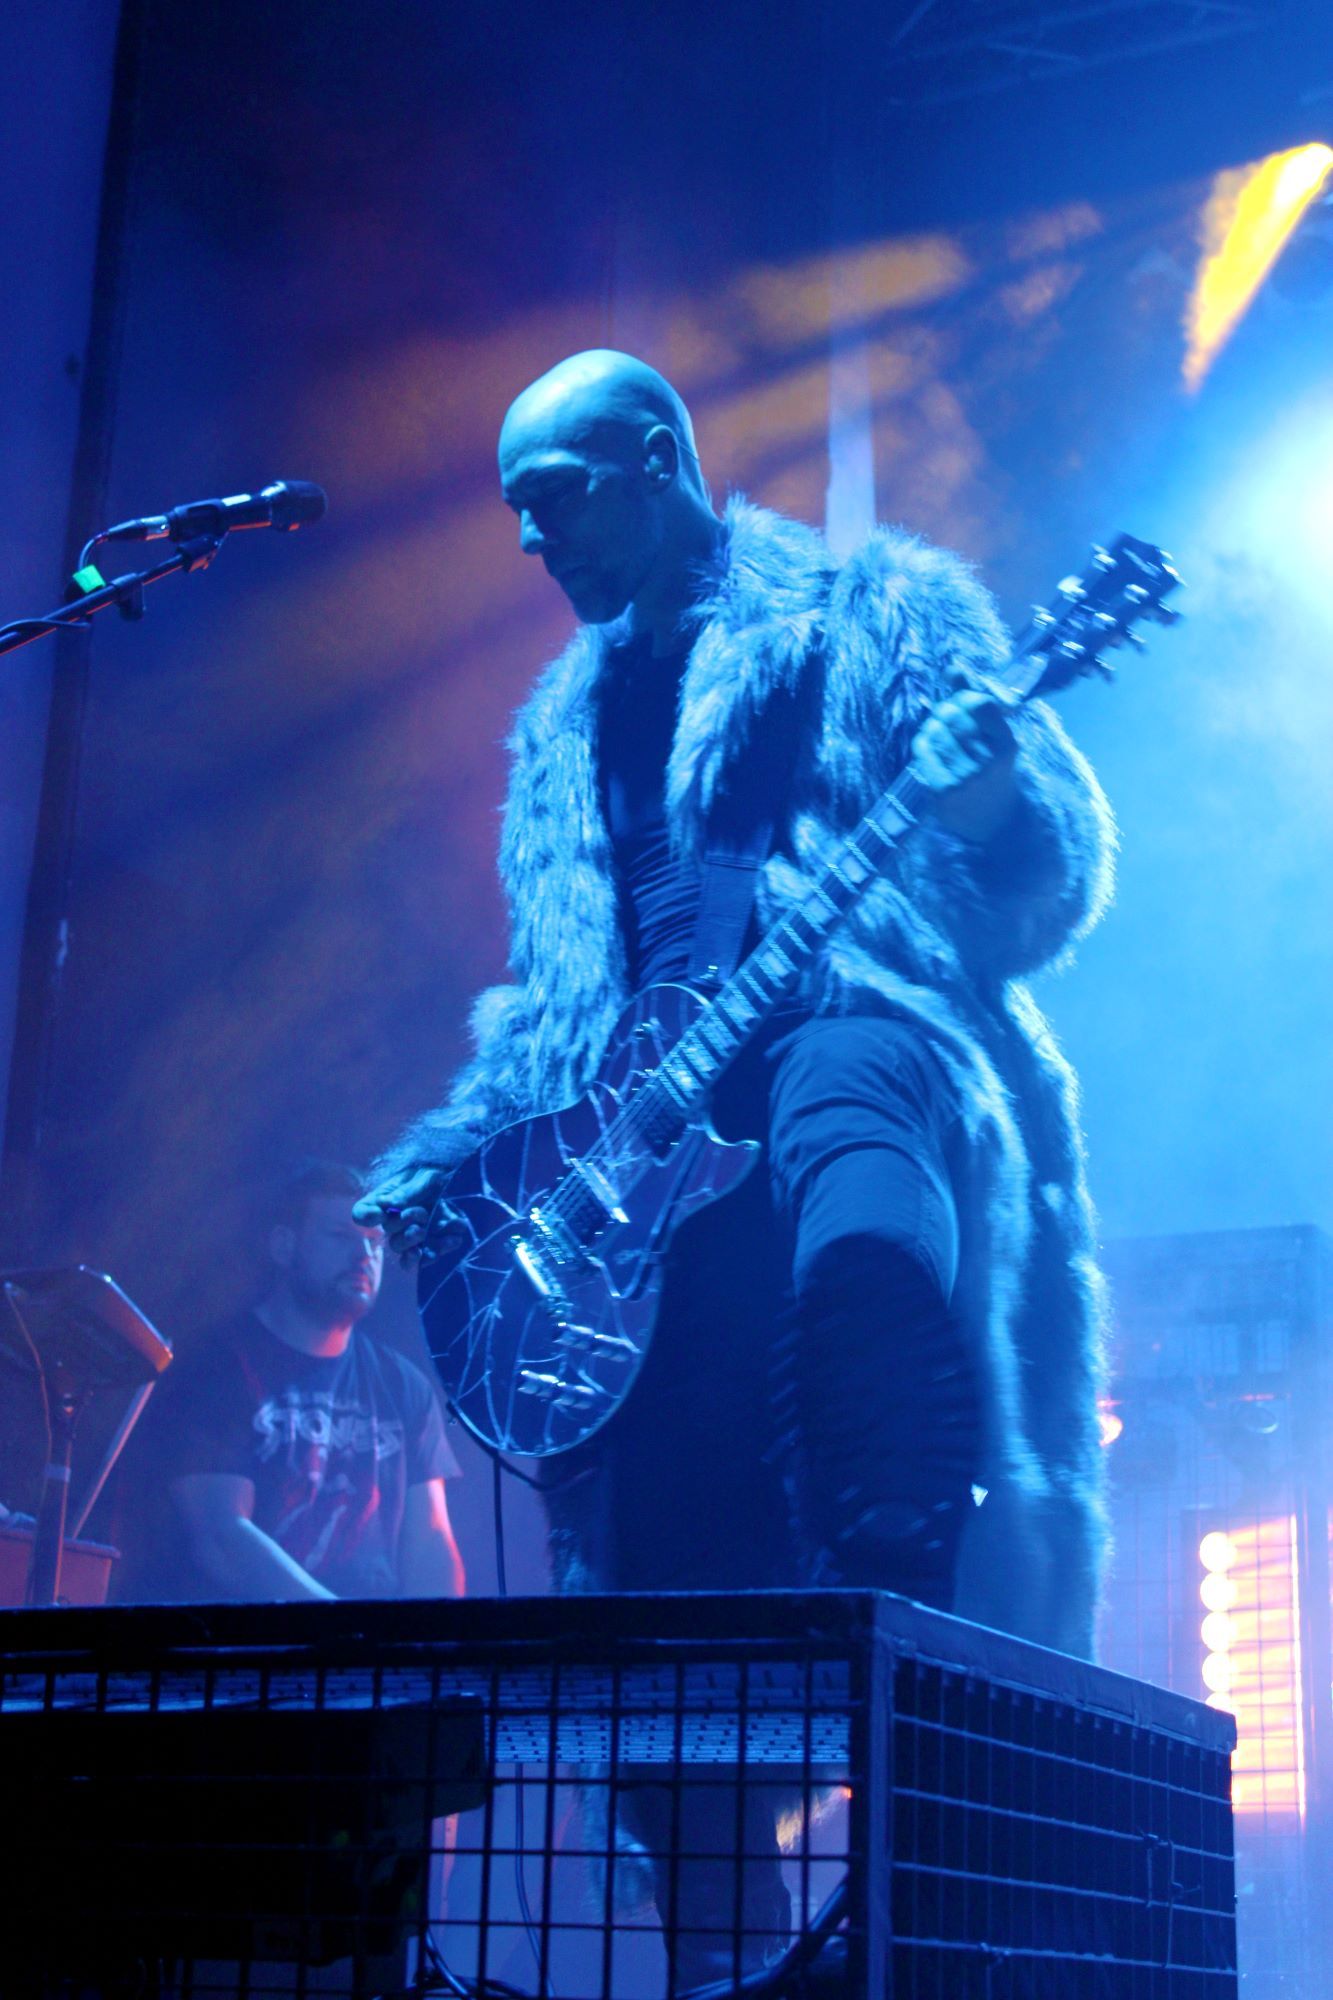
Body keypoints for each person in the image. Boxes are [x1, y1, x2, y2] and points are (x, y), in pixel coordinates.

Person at [355, 349, 1115, 1981]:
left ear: (654, 460)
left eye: (554, 500)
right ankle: (723, 1959)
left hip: (866, 1051)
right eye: (513, 512)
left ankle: (894, 1492)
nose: (529, 541)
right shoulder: (560, 730)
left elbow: (1045, 877)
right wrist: (469, 1174)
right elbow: (558, 1011)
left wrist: (990, 804)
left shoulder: (870, 618)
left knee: (848, 1083)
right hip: (663, 1185)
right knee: (676, 1631)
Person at [118, 1159, 464, 1603]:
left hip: (370, 1641)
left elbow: (431, 1540)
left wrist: (435, 1636)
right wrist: (344, 1632)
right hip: (250, 1640)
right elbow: (221, 1538)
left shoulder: (404, 1386)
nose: (364, 1255)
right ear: (284, 1245)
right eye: (340, 1236)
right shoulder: (213, 1368)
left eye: (375, 1242)